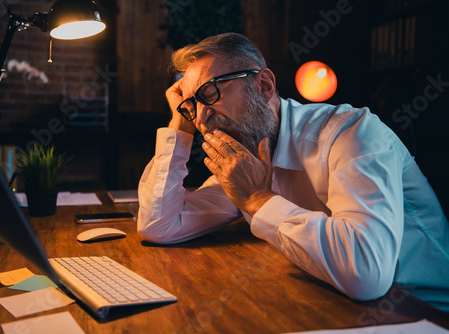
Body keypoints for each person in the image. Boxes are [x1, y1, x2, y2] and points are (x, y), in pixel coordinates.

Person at [137, 32, 449, 312]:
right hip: (334, 303)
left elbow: (367, 274)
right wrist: (180, 121)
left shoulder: (352, 133)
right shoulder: (244, 163)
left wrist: (258, 200)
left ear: (263, 85)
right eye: (192, 107)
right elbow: (159, 225)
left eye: (208, 93)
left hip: (421, 311)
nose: (201, 118)